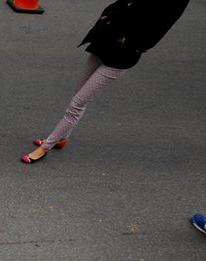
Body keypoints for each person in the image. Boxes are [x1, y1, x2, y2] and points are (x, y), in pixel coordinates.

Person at [21, 0, 189, 164]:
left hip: (122, 55)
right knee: (78, 94)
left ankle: (46, 147)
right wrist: (106, 17)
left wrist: (132, 43)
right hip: (104, 40)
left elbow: (161, 26)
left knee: (77, 103)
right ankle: (62, 138)